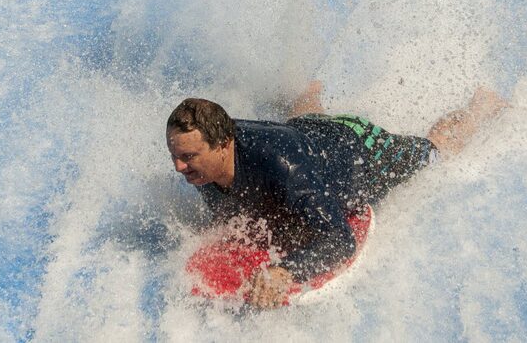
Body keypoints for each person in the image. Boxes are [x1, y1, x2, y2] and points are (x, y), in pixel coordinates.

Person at [166, 82, 507, 309]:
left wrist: (287, 272)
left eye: (189, 157)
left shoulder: (284, 167)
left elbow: (340, 239)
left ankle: (480, 106)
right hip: (305, 133)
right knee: (300, 119)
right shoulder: (209, 151)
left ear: (224, 145)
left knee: (436, 151)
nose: (179, 167)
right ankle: (310, 86)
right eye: (175, 155)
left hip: (359, 150)